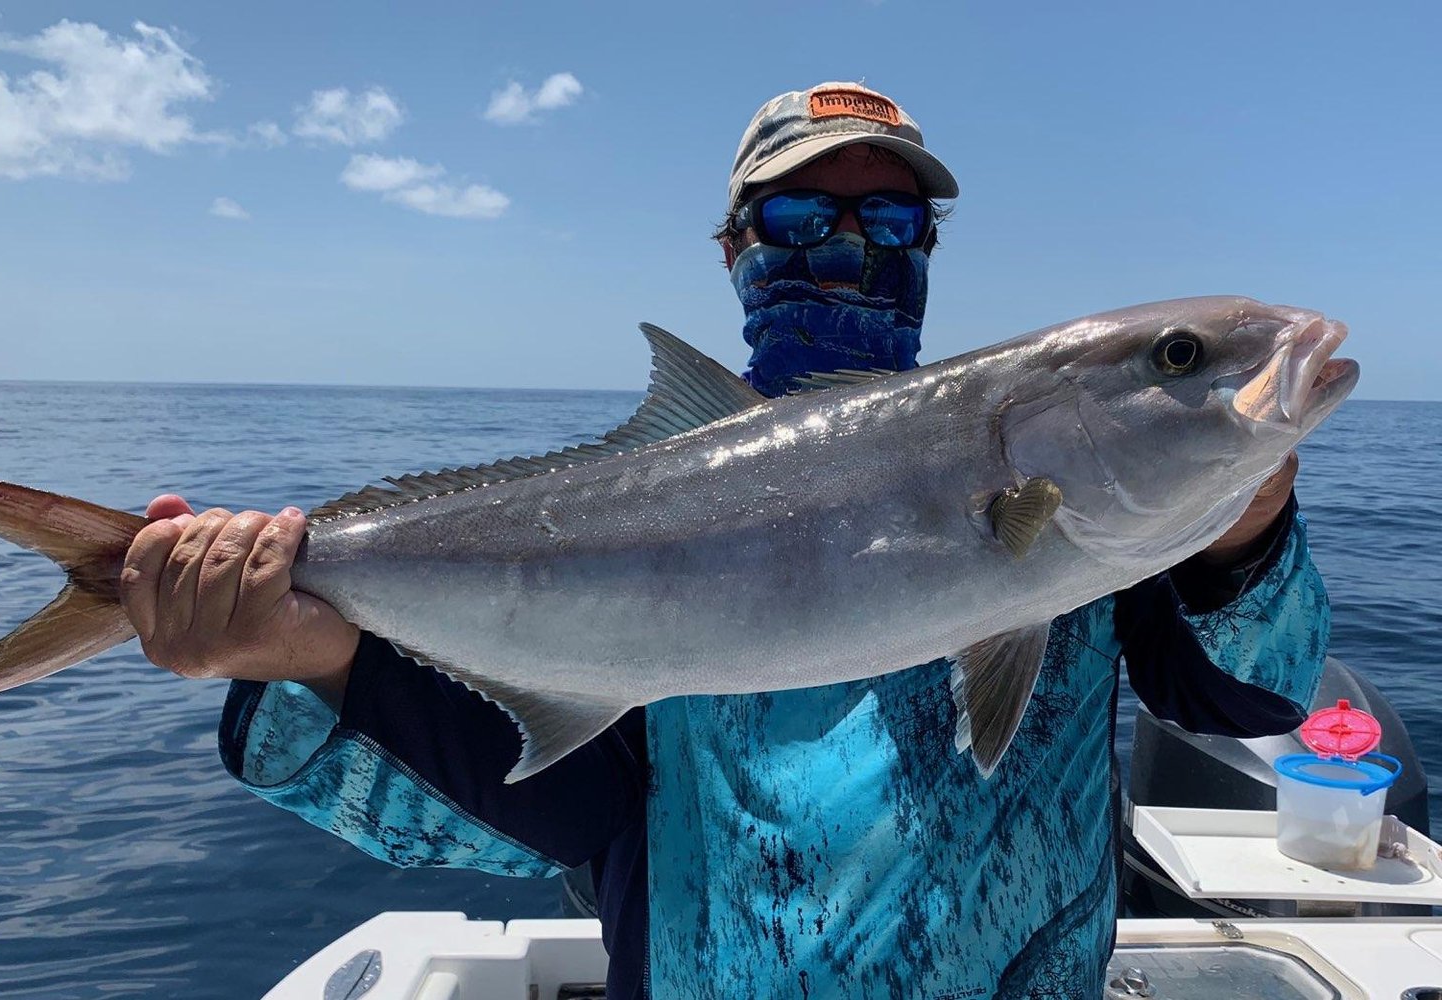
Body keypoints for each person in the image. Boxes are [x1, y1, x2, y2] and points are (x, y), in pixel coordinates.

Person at [122, 82, 1327, 999]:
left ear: (927, 247)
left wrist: (1247, 519)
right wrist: (309, 652)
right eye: (800, 213)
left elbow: (1248, 701)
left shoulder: (1102, 525)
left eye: (891, 217)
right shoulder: (623, 501)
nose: (847, 243)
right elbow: (550, 805)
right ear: (736, 247)